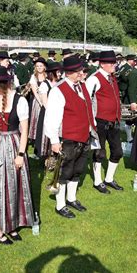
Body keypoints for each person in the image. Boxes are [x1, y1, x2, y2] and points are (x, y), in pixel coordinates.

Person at [0, 66, 34, 244]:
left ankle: (11, 224)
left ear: (1, 84)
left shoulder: (20, 101)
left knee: (14, 184)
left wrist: (20, 154)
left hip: (14, 144)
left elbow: (24, 131)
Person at [44, 55, 96, 219]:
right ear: (71, 72)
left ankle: (71, 198)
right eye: (80, 70)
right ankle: (60, 205)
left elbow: (88, 109)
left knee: (77, 169)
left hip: (83, 135)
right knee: (64, 171)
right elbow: (52, 118)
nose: (83, 72)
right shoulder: (58, 90)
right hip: (67, 138)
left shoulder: (82, 86)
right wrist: (54, 141)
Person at [85, 51, 124, 194]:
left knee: (118, 151)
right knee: (99, 153)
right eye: (111, 63)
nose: (114, 65)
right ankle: (97, 181)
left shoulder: (112, 77)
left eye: (114, 62)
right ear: (102, 64)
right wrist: (90, 123)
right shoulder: (94, 79)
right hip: (99, 122)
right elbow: (86, 101)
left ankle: (109, 178)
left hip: (114, 121)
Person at [35, 61, 62, 158]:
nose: (59, 74)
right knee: (46, 135)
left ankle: (56, 154)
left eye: (60, 72)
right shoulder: (45, 84)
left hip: (59, 113)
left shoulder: (60, 83)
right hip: (48, 113)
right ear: (52, 73)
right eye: (58, 72)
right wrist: (53, 112)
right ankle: (46, 156)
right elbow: (44, 102)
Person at [28, 58, 47, 152]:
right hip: (38, 101)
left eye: (41, 66)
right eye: (37, 66)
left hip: (47, 99)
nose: (39, 68)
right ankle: (36, 140)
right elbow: (35, 92)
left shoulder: (47, 76)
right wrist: (41, 103)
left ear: (44, 67)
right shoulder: (33, 77)